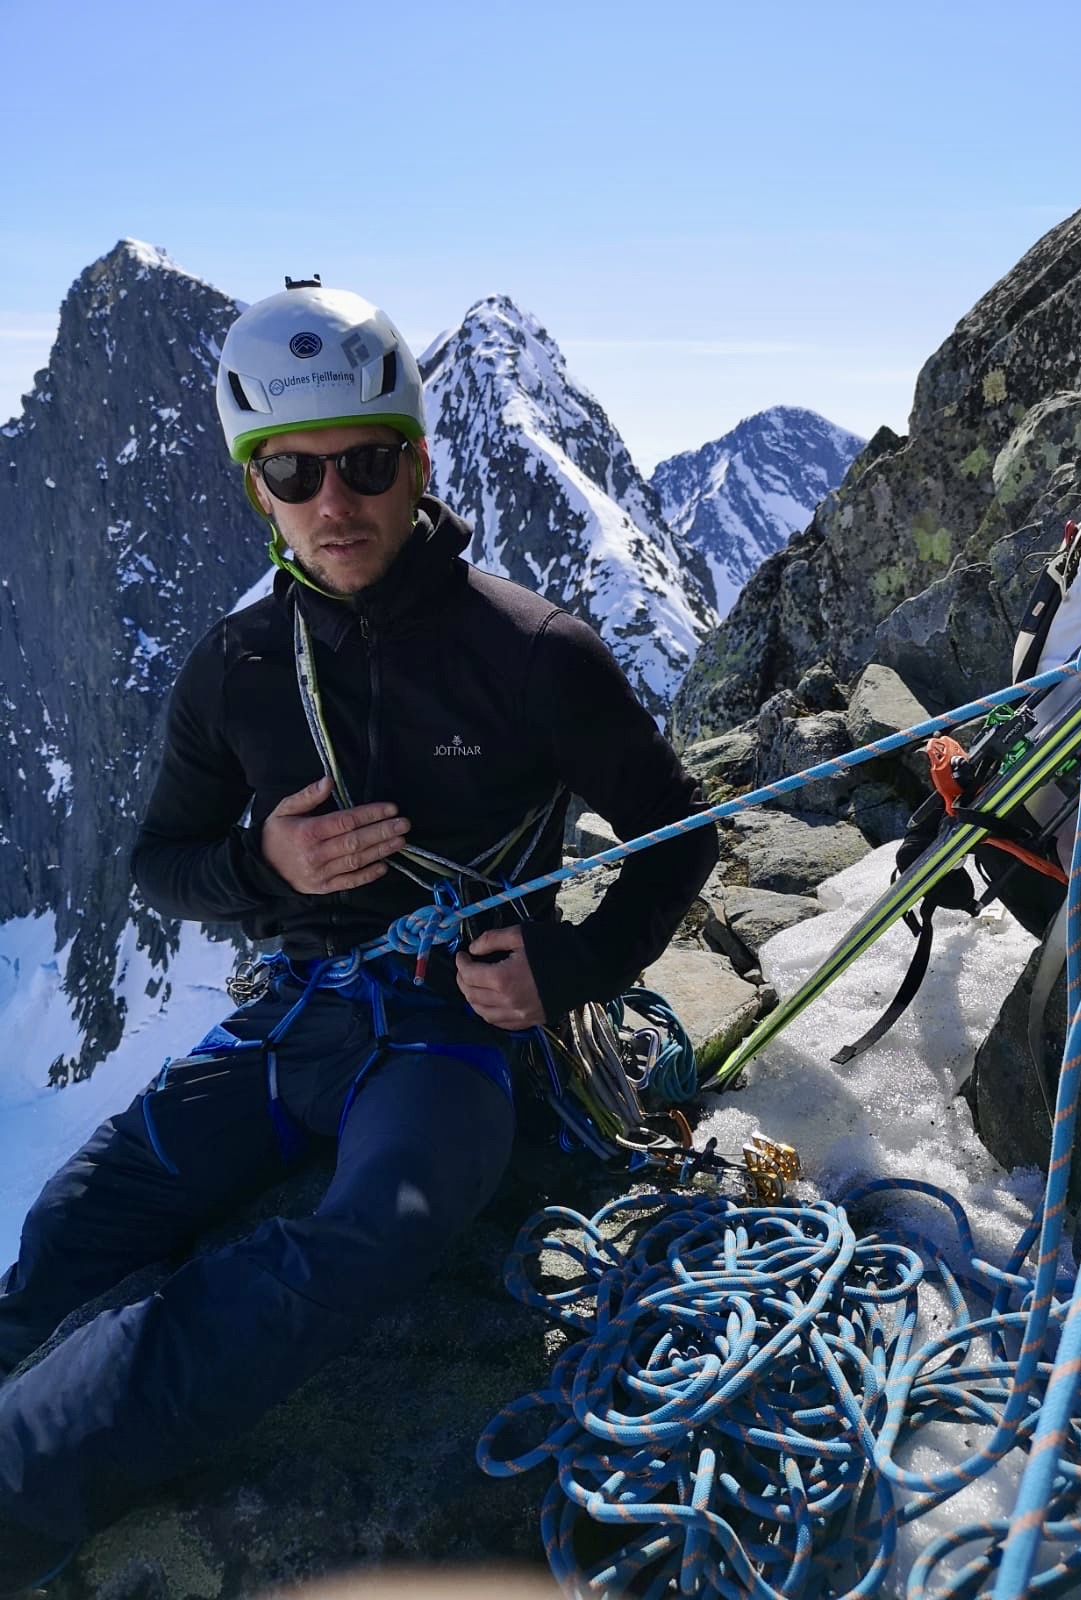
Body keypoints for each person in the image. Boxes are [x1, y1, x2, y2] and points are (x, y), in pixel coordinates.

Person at [0, 283, 717, 1591]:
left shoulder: (533, 651)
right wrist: (257, 861)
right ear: (256, 486)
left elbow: (676, 831)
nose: (336, 501)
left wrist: (560, 970)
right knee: (72, 1224)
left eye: (366, 462)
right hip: (297, 1011)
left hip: (451, 1038)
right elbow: (162, 859)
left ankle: (29, 1479)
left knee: (381, 1223)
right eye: (294, 470)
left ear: (418, 460)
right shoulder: (239, 668)